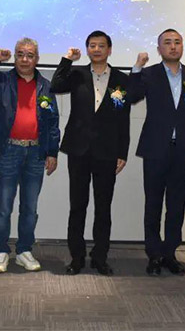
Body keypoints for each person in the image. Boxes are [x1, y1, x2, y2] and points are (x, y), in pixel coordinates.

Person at [0, 38, 60, 273]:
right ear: (14, 57)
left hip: (36, 153)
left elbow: (53, 122)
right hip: (9, 151)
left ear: (37, 59)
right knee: (3, 207)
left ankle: (24, 251)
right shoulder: (3, 81)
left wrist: (52, 152)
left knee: (30, 208)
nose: (24, 59)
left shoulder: (46, 86)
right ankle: (1, 251)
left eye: (30, 55)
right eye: (20, 54)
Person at [126, 29, 185, 276]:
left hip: (183, 149)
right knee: (153, 203)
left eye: (177, 42)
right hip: (155, 148)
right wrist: (137, 68)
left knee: (176, 204)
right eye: (167, 43)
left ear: (183, 47)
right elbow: (132, 96)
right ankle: (154, 254)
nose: (173, 46)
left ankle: (170, 253)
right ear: (159, 49)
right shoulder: (149, 73)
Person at [50, 31, 131, 276]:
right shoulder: (77, 74)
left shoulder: (121, 79)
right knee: (78, 205)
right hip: (79, 149)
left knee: (103, 208)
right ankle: (77, 257)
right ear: (87, 50)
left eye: (101, 45)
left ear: (110, 49)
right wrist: (67, 60)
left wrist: (123, 151)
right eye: (92, 46)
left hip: (107, 151)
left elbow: (123, 118)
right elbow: (55, 85)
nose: (97, 49)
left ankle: (100, 257)